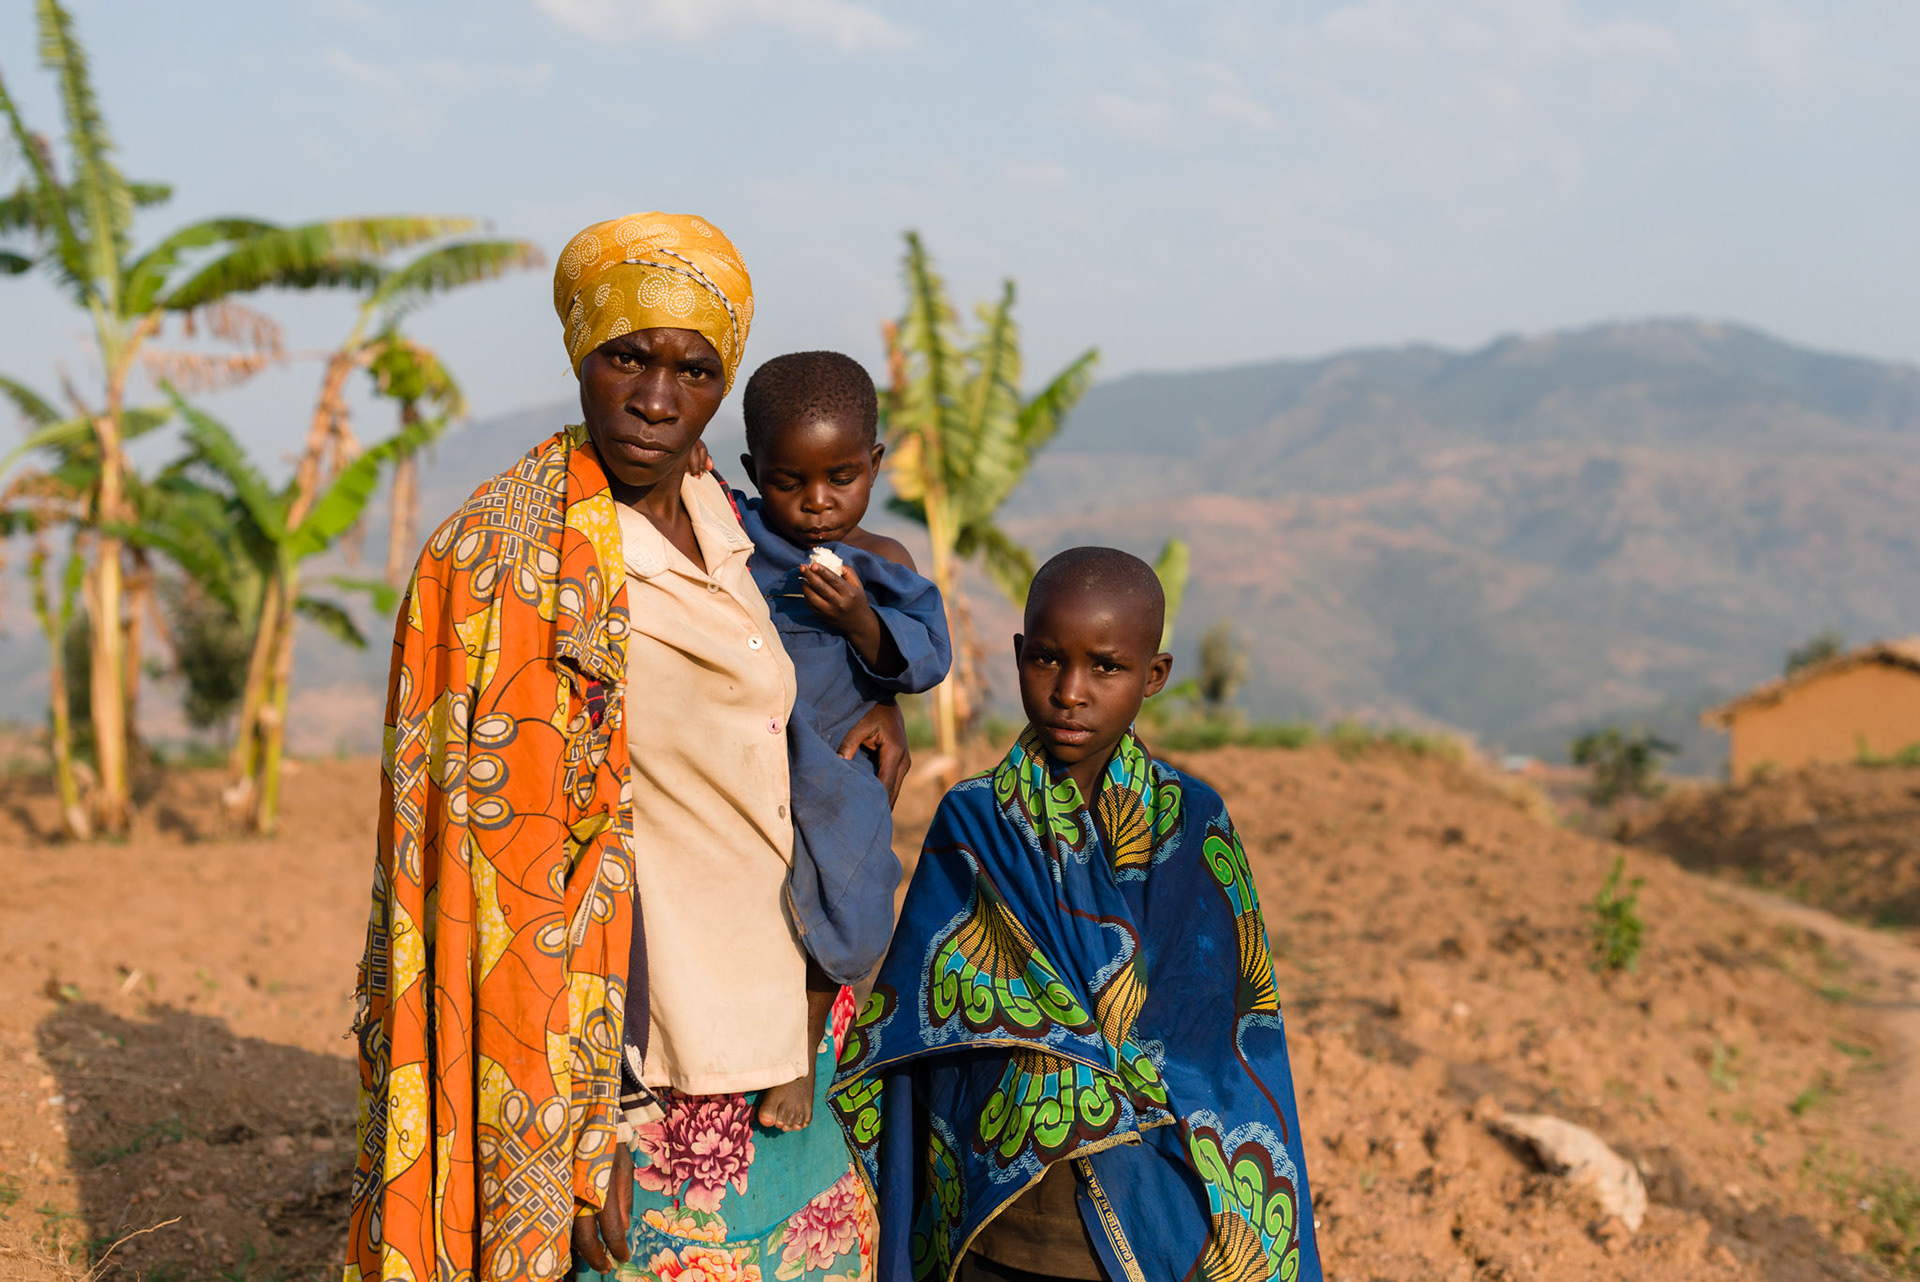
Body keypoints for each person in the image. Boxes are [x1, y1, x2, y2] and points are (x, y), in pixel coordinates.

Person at [345, 212, 898, 1282]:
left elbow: (803, 671)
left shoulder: (740, 520)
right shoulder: (508, 560)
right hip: (637, 1051)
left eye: (692, 369)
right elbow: (501, 878)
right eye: (628, 358)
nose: (656, 395)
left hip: (781, 1010)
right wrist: (570, 1124)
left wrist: (880, 702)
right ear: (581, 357)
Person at [829, 547, 1323, 1282]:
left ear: (1153, 676)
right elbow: (917, 1015)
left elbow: (1227, 1030)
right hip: (1002, 1220)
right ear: (1022, 655)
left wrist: (1095, 1046)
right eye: (1049, 661)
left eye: (1107, 668)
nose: (1070, 692)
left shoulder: (1190, 824)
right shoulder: (974, 819)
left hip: (1151, 1204)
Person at [732, 350, 953, 1134]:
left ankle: (805, 1033)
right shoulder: (740, 532)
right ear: (755, 471)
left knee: (857, 895)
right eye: (789, 482)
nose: (817, 503)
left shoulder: (882, 563)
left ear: (876, 466)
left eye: (842, 477)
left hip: (841, 753)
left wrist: (860, 617)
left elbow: (928, 656)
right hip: (752, 750)